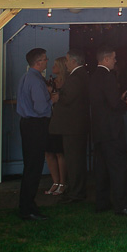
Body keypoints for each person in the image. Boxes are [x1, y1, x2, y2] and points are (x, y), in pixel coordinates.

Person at [90, 47, 127, 216]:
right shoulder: (108, 77)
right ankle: (122, 205)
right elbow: (113, 104)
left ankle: (102, 202)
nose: (116, 61)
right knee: (118, 169)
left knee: (101, 168)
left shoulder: (93, 76)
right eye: (114, 58)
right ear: (107, 59)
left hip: (99, 129)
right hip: (112, 130)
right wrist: (125, 105)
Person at [16, 48, 52, 221]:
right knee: (34, 166)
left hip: (27, 124)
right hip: (36, 125)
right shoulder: (36, 81)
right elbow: (40, 107)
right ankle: (27, 207)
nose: (47, 62)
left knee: (30, 165)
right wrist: (52, 100)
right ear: (39, 62)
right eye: (45, 59)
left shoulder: (25, 77)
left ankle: (27, 204)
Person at [50, 50, 90, 203]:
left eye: (67, 60)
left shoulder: (75, 78)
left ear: (74, 61)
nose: (65, 63)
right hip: (76, 126)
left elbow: (68, 99)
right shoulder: (81, 76)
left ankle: (76, 193)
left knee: (74, 161)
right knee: (75, 160)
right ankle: (75, 190)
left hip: (73, 126)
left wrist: (58, 96)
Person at [44, 57, 69, 197]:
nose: (53, 67)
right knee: (49, 151)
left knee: (60, 152)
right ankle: (55, 181)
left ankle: (63, 182)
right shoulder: (50, 82)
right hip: (49, 119)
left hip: (61, 120)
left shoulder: (66, 84)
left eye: (55, 65)